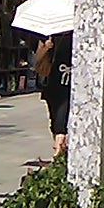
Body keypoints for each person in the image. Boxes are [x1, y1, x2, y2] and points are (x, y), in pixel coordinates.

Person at [36, 31, 73, 159]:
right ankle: (60, 149)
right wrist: (47, 47)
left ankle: (57, 153)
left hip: (68, 85)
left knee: (61, 121)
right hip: (51, 84)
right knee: (54, 120)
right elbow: (37, 62)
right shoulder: (49, 36)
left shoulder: (77, 35)